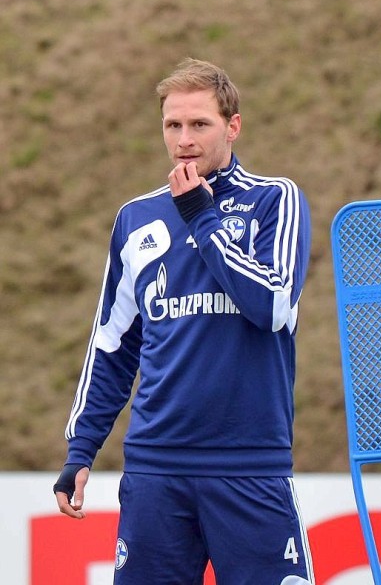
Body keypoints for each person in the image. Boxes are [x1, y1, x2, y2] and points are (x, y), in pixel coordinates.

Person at [53, 58, 315, 585]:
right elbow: (111, 347)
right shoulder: (136, 218)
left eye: (200, 124)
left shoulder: (275, 199)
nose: (184, 139)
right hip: (155, 468)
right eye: (173, 125)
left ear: (233, 126)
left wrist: (201, 214)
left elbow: (271, 306)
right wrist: (81, 449)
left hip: (249, 466)